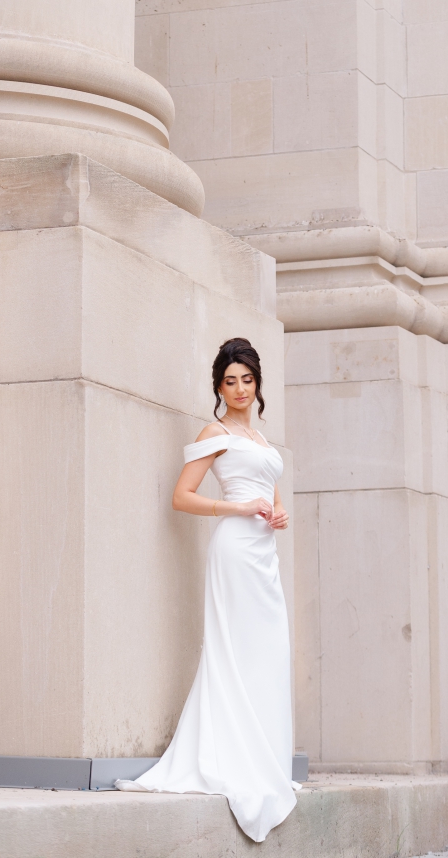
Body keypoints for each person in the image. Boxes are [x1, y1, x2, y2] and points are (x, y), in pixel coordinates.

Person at [114, 338, 298, 842]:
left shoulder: (263, 442)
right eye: (229, 380)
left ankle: (264, 760)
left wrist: (277, 514)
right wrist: (238, 509)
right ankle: (231, 759)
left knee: (268, 652)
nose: (239, 388)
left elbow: (272, 498)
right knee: (233, 651)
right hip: (235, 550)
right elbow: (182, 497)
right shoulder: (214, 433)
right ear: (219, 387)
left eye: (247, 379)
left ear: (258, 384)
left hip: (265, 555)